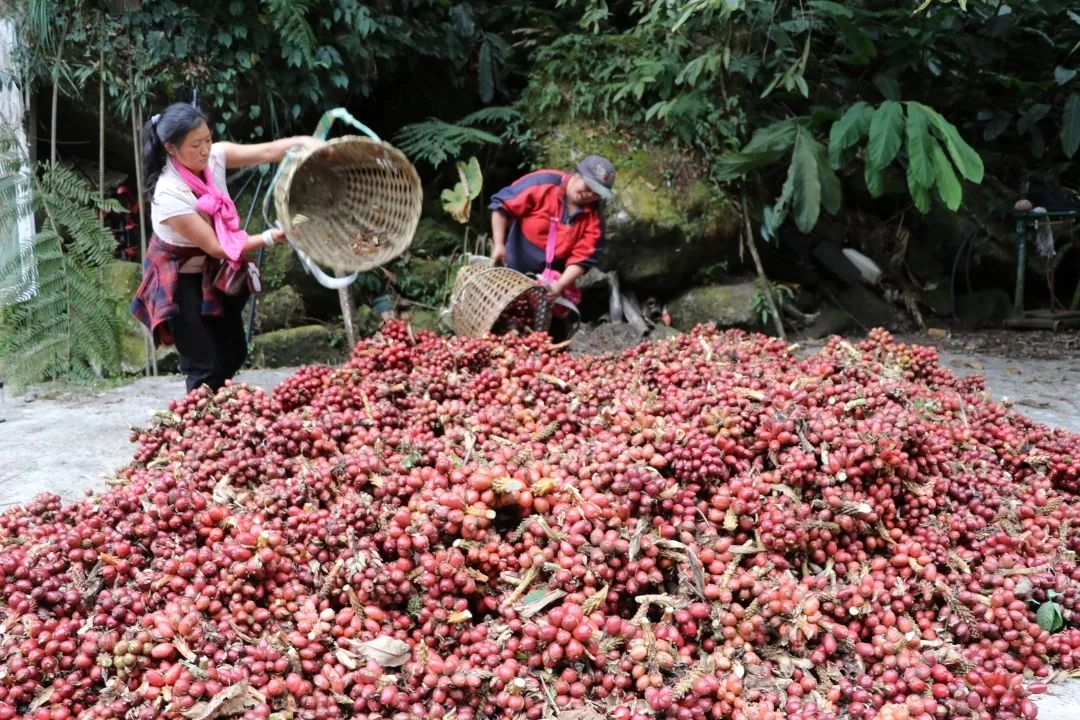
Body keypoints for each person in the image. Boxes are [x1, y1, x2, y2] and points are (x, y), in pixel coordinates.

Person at [131, 102, 322, 393]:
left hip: (213, 272)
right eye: (195, 145)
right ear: (171, 148)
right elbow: (218, 246)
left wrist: (310, 144)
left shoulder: (215, 158)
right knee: (203, 363)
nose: (205, 149)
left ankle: (219, 412)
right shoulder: (169, 193)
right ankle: (197, 426)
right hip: (179, 281)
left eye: (207, 139)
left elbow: (270, 151)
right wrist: (271, 237)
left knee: (233, 351)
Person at [488, 155, 616, 341]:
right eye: (587, 186)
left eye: (595, 193)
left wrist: (561, 284)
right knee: (503, 325)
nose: (588, 194)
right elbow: (502, 206)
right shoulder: (542, 183)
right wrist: (499, 245)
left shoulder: (594, 218)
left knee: (547, 339)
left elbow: (583, 258)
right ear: (576, 174)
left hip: (551, 285)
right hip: (515, 271)